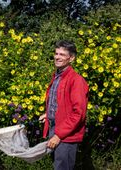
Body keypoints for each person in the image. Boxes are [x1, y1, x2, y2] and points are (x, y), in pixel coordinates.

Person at [39, 40, 89, 170]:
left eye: (62, 54)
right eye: (56, 53)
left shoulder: (76, 80)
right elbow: (59, 102)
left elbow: (78, 113)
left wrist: (59, 135)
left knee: (62, 167)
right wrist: (48, 114)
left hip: (66, 135)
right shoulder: (57, 76)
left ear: (71, 58)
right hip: (54, 129)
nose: (57, 57)